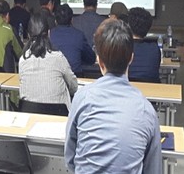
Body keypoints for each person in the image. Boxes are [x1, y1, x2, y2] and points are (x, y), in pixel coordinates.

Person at [65, 19, 162, 173]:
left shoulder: (82, 98)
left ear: (98, 60)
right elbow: (153, 170)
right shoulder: (147, 110)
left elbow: (70, 157)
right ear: (131, 58)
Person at [19, 13, 78, 109]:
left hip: (31, 117)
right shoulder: (58, 57)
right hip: (59, 119)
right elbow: (74, 87)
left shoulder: (23, 60)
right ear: (49, 33)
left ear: (29, 35)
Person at [50, 4, 94, 74]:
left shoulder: (49, 35)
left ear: (55, 21)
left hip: (54, 76)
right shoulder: (79, 35)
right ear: (72, 20)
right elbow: (91, 59)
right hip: (76, 78)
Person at [127, 7, 161, 83]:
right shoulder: (154, 49)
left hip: (124, 90)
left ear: (128, 26)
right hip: (151, 91)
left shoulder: (120, 47)